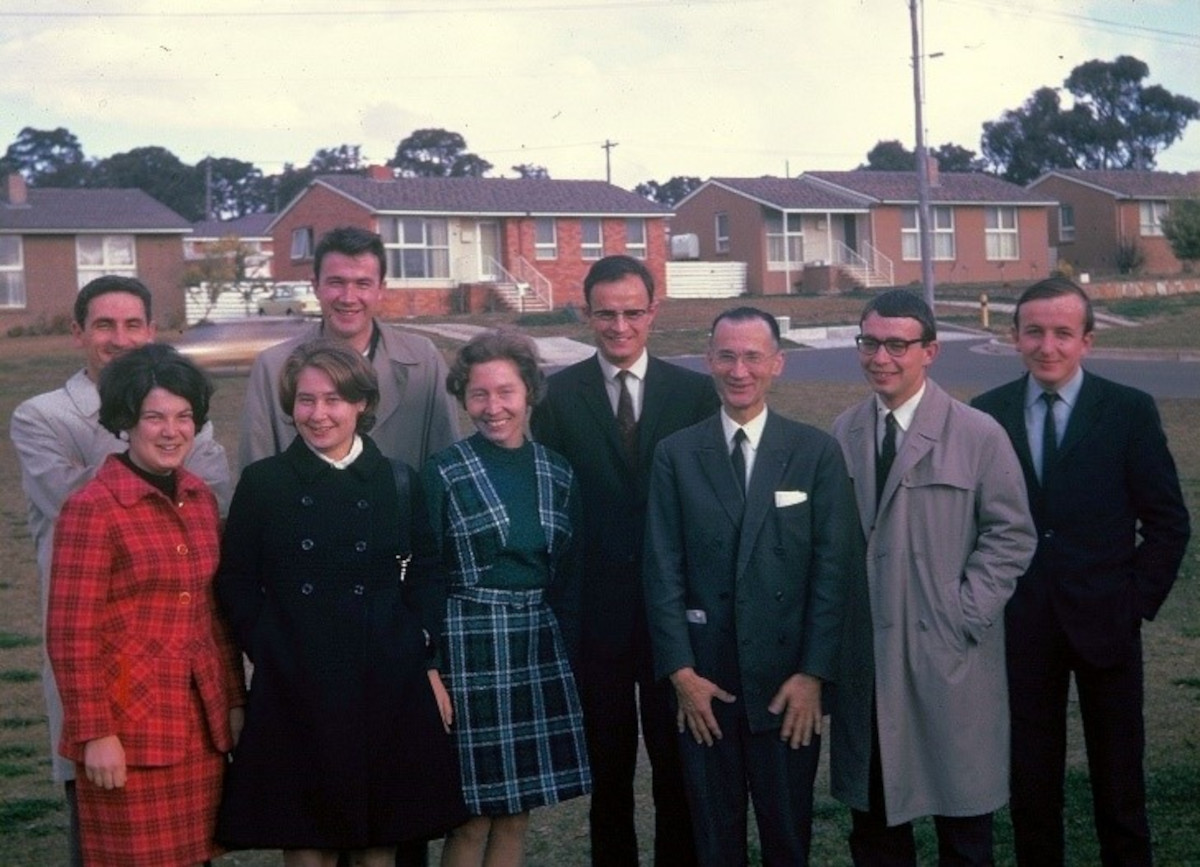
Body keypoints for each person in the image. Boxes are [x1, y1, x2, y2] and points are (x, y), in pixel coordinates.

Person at [215, 340, 468, 867]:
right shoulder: (264, 483)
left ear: (361, 403)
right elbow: (236, 581)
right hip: (296, 685)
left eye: (333, 399)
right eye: (306, 400)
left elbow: (426, 571)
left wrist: (419, 644)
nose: (318, 414)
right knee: (308, 848)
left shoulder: (399, 479)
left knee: (379, 847)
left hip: (385, 681)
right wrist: (269, 643)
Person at [10, 275, 232, 867]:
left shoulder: (197, 498)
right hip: (125, 714)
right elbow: (71, 632)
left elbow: (211, 612)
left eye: (183, 418)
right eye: (153, 417)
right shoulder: (88, 499)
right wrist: (93, 731)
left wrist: (231, 704)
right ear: (125, 421)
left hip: (194, 717)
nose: (171, 430)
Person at [972, 276, 1191, 866]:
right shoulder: (986, 414)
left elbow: (1168, 522)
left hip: (1107, 621)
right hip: (1020, 626)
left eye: (1063, 333)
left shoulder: (1128, 411)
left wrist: (1133, 602)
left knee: (1119, 782)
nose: (1048, 346)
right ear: (1014, 337)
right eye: (1034, 332)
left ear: (1087, 341)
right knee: (1031, 782)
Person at [643, 307, 860, 866]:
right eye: (727, 356)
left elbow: (834, 572)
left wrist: (813, 675)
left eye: (753, 357)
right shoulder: (676, 454)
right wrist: (681, 674)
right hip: (706, 685)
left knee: (787, 836)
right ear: (708, 361)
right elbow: (661, 570)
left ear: (777, 363)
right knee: (714, 842)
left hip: (788, 685)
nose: (739, 371)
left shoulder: (814, 452)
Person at [830, 289, 1036, 866]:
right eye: (870, 343)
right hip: (869, 662)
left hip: (949, 660)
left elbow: (1011, 534)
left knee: (964, 827)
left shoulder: (978, 434)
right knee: (876, 830)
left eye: (898, 345)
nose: (881, 358)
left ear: (931, 351)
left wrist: (963, 613)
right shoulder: (843, 432)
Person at [529, 254, 716, 866]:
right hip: (597, 617)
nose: (619, 326)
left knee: (676, 765)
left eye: (632, 312)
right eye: (606, 314)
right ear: (587, 314)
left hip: (671, 615)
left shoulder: (693, 393)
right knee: (607, 772)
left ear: (653, 312)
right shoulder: (557, 397)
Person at [423, 330, 591, 867]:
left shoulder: (557, 471)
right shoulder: (444, 471)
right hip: (469, 647)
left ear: (529, 393)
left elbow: (569, 575)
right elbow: (422, 574)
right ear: (463, 397)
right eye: (479, 394)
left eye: (505, 392)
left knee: (517, 811)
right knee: (472, 816)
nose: (493, 407)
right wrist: (430, 665)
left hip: (535, 646)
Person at [239, 225, 458, 471]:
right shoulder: (273, 368)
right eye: (336, 282)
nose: (348, 298)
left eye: (363, 284)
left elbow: (447, 463)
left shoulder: (423, 360)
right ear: (316, 286)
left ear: (381, 290)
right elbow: (256, 474)